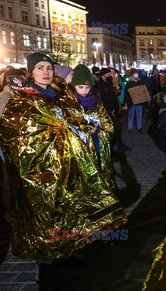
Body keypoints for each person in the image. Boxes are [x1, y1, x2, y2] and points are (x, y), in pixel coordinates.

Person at [0, 53, 125, 287]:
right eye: (40, 68)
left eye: (48, 67)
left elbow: (76, 119)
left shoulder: (61, 95)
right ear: (31, 72)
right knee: (45, 213)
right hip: (42, 171)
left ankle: (69, 247)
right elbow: (16, 137)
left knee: (68, 208)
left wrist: (87, 128)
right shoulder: (23, 101)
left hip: (70, 165)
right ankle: (45, 263)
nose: (45, 72)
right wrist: (59, 135)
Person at [69, 64, 115, 183]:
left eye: (87, 87)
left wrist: (98, 129)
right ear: (74, 86)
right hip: (78, 147)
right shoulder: (69, 102)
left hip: (96, 142)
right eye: (80, 87)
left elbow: (106, 122)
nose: (84, 91)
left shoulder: (96, 101)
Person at [95, 67, 131, 151]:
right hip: (109, 110)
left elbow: (114, 96)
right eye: (108, 75)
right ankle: (111, 147)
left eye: (110, 74)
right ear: (102, 76)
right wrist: (111, 110)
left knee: (118, 127)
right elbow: (103, 99)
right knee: (113, 128)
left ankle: (118, 144)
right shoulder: (99, 86)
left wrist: (117, 89)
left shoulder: (109, 83)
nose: (110, 76)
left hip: (114, 109)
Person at [124, 68, 148, 132]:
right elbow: (126, 93)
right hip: (131, 103)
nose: (136, 75)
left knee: (139, 116)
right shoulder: (129, 83)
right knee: (131, 116)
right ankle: (130, 128)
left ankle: (139, 127)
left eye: (136, 74)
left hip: (140, 102)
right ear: (131, 75)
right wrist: (126, 102)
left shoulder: (140, 82)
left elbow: (144, 91)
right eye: (134, 74)